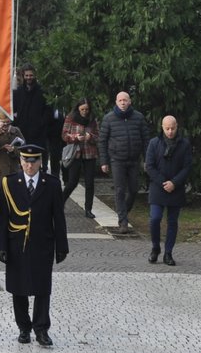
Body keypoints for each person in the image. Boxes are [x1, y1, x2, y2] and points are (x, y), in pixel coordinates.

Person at [0, 141, 68, 346]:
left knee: (42, 289)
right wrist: (0, 245)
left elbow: (58, 217)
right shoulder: (9, 183)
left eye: (34, 161)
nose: (29, 165)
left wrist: (61, 246)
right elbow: (2, 217)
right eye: (26, 161)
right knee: (18, 289)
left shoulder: (51, 184)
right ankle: (23, 328)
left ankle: (42, 329)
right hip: (16, 244)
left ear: (40, 162)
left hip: (42, 243)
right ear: (20, 161)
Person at [97, 91, 151, 230]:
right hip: (117, 160)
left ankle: (123, 213)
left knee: (133, 189)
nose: (122, 103)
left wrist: (146, 159)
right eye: (120, 100)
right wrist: (104, 161)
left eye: (125, 100)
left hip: (134, 159)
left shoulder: (138, 118)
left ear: (129, 101)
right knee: (120, 190)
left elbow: (146, 140)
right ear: (116, 102)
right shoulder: (109, 118)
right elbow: (102, 141)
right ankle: (123, 222)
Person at [144, 115, 193, 266]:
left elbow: (187, 167)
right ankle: (155, 247)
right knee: (155, 218)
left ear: (177, 127)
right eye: (167, 128)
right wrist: (163, 182)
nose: (170, 131)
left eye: (172, 128)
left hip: (176, 188)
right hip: (158, 187)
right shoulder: (154, 143)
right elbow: (149, 166)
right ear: (162, 128)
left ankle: (168, 253)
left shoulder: (184, 144)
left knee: (172, 221)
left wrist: (174, 182)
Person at [60, 99, 101, 219]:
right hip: (75, 153)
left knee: (89, 183)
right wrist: (75, 137)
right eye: (82, 109)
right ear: (78, 108)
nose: (84, 112)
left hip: (89, 153)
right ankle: (60, 202)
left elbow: (98, 136)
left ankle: (88, 209)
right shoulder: (71, 118)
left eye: (87, 109)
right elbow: (64, 135)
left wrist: (90, 137)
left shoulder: (93, 119)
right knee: (72, 181)